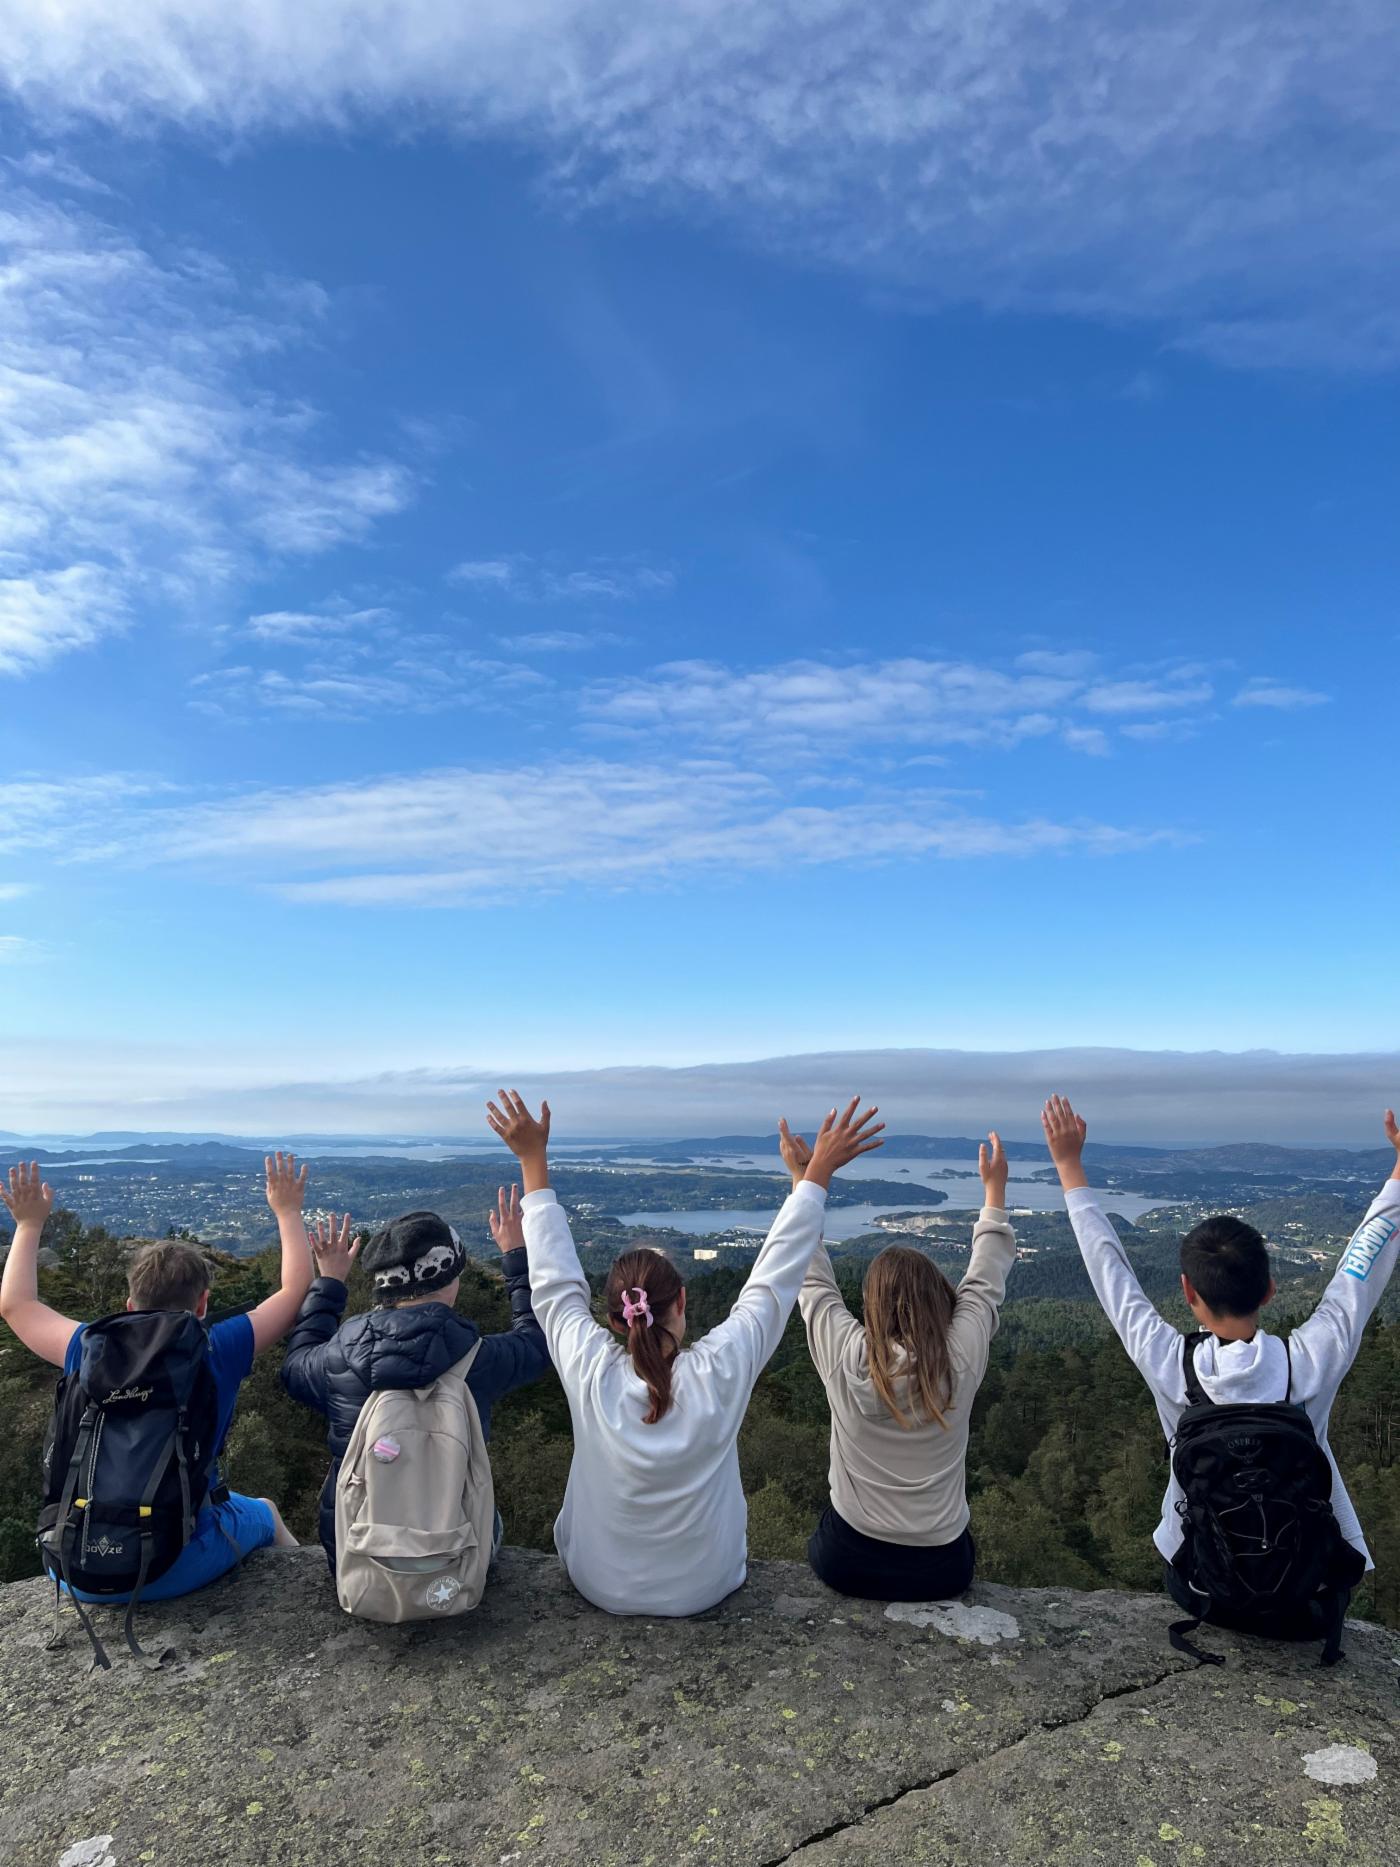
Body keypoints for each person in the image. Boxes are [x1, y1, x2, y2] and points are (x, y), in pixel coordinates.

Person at [487, 1088, 884, 1616]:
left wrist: (532, 1160)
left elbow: (554, 1286)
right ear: (681, 1301)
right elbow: (773, 1282)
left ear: (615, 1320)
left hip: (597, 1581)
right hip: (704, 1586)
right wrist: (811, 1178)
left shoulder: (590, 1370)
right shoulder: (719, 1370)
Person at [1042, 1093, 1400, 1650]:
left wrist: (1069, 1166)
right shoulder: (1310, 1360)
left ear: (1188, 1292)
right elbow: (1362, 1269)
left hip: (1202, 1587)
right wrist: (1398, 1172)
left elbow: (1111, 1272)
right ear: (1271, 1289)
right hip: (1306, 1590)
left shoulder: (1171, 1363)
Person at [0, 1152, 312, 1606]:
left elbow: (16, 1305)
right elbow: (295, 1291)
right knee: (264, 1511)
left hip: (74, 1567)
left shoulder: (86, 1347)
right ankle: (306, 1602)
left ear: (129, 1305)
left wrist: (28, 1224)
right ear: (202, 1304)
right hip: (171, 1564)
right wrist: (287, 1210)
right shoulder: (216, 1348)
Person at [793, 1125, 1016, 1601]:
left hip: (848, 1560)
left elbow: (810, 1279)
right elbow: (984, 1282)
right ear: (939, 1299)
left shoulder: (848, 1356)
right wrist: (994, 1190)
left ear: (871, 1306)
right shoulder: (959, 1359)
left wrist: (806, 1180)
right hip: (941, 1569)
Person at [280, 1186, 551, 1576]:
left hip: (355, 1558)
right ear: (452, 1278)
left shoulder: (339, 1355)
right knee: (488, 1514)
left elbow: (294, 1366)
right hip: (455, 1559)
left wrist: (331, 1282)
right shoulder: (477, 1358)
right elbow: (537, 1342)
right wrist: (515, 1256)